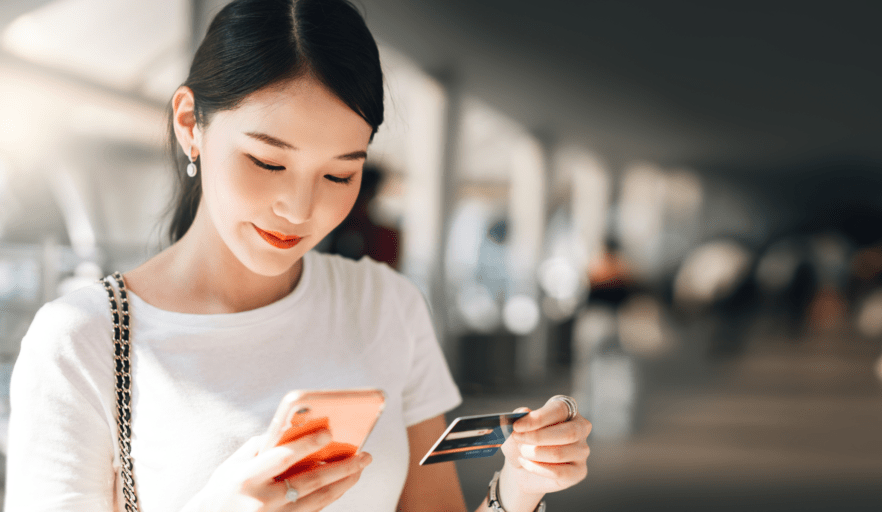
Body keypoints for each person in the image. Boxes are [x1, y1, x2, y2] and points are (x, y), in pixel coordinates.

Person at [3, 1, 592, 511]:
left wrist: (520, 485)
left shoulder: (387, 306)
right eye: (267, 162)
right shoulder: (84, 341)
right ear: (191, 125)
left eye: (340, 174)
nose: (300, 209)